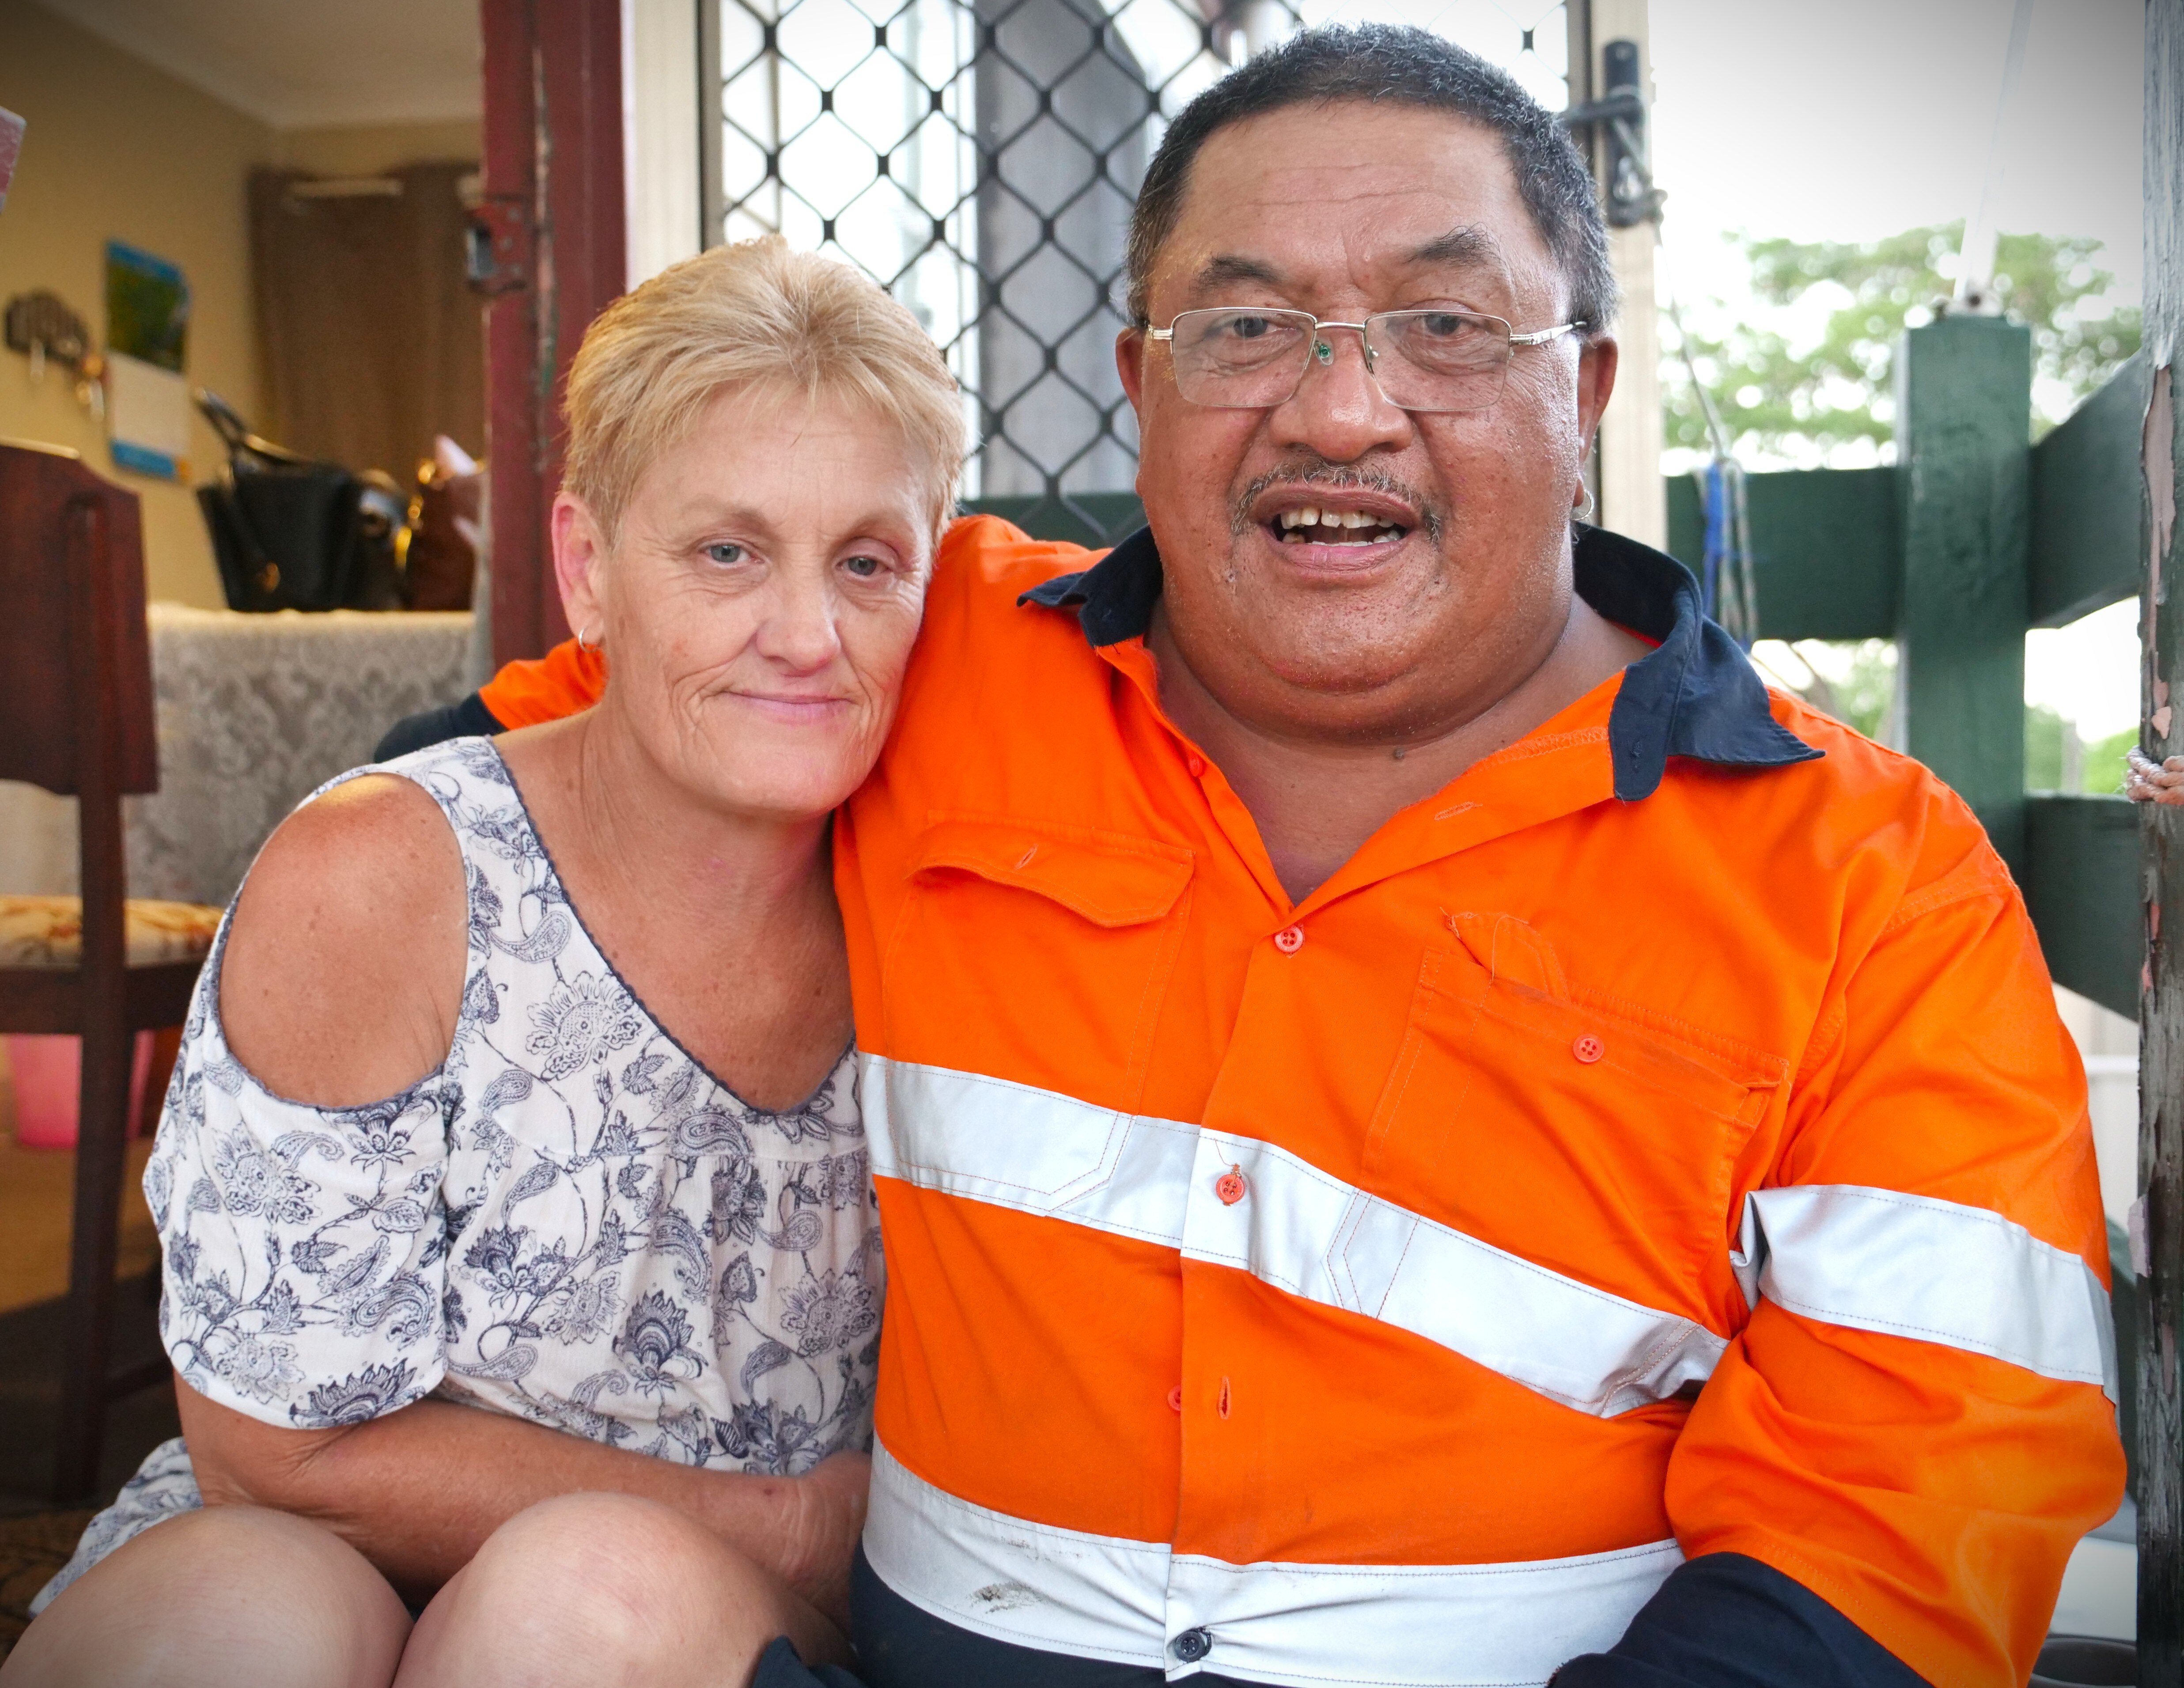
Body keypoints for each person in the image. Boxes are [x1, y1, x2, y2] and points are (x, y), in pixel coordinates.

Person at [367, 27, 2123, 1688]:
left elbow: (1911, 1503)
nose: (1340, 411)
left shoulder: (1868, 881)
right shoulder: (902, 653)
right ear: (1141, 383)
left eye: (1444, 323)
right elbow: (520, 770)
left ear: (1582, 385)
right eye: (1246, 326)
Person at [4, 235, 965, 1688]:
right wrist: (796, 1523)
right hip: (325, 1529)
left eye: (867, 563)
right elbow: (278, 1450)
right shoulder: (390, 875)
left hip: (687, 1616)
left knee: (587, 1600)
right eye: (726, 551)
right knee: (227, 1624)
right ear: (587, 567)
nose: (804, 635)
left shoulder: (959, 894)